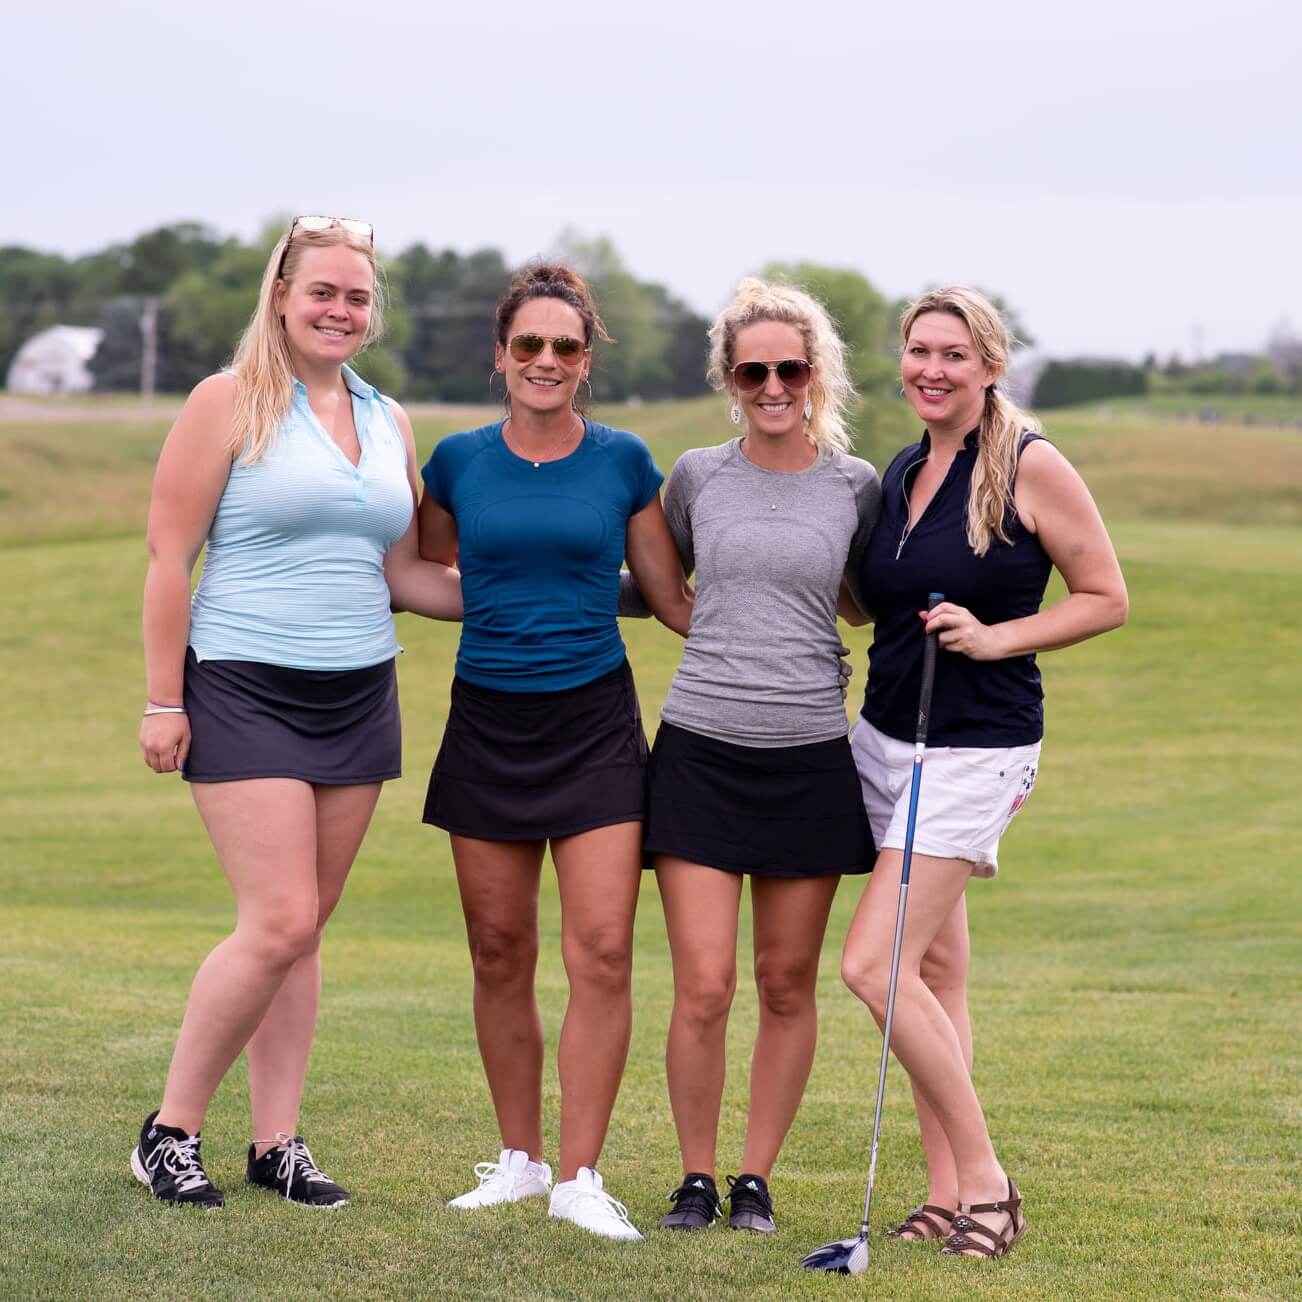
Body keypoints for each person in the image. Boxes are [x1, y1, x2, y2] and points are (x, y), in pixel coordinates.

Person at [134, 216, 460, 1209]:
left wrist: (555, 591)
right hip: (242, 683)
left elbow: (405, 571)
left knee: (306, 925)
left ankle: (276, 1141)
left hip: (359, 689)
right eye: (322, 290)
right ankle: (170, 1130)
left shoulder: (388, 418)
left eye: (357, 296)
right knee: (275, 918)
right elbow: (166, 556)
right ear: (281, 293)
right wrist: (161, 698)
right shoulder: (225, 402)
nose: (339, 309)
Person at [839, 285, 1128, 1258]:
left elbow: (1105, 595)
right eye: (918, 350)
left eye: (953, 354)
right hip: (884, 739)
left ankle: (990, 1185)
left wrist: (999, 636)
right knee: (931, 973)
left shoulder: (1031, 463)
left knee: (872, 965)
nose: (931, 368)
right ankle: (944, 1194)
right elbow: (865, 601)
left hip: (976, 749)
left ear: (990, 364)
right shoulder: (907, 466)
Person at [417, 262, 692, 1242]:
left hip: (594, 729)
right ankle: (522, 1163)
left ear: (586, 360)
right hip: (488, 722)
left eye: (564, 347)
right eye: (527, 345)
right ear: (501, 356)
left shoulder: (624, 462)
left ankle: (580, 1175)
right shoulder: (455, 460)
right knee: (499, 952)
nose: (544, 360)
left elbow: (668, 599)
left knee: (604, 953)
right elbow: (424, 563)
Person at [638, 279, 882, 1234]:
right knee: (703, 984)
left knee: (787, 984)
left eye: (792, 366)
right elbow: (667, 585)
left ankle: (754, 1180)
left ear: (817, 373)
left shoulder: (855, 486)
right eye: (754, 370)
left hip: (810, 757)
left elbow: (867, 598)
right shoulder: (697, 475)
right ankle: (695, 1177)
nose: (774, 384)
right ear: (730, 379)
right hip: (700, 750)